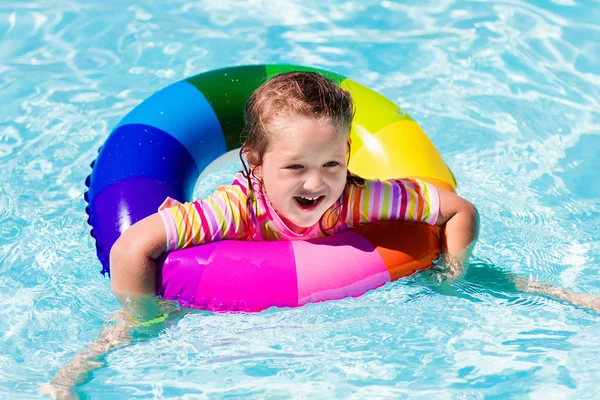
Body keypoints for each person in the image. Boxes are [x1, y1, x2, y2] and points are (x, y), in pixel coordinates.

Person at [109, 71, 479, 321]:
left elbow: (459, 211)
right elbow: (130, 249)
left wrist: (453, 273)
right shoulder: (236, 209)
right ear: (256, 162)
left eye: (332, 163)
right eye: (296, 168)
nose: (316, 184)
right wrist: (145, 320)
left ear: (348, 153)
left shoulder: (359, 198)